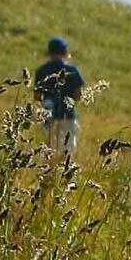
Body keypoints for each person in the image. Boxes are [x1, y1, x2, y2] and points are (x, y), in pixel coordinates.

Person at [35, 35, 85, 173]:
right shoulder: (73, 71)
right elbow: (78, 95)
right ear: (65, 52)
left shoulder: (42, 71)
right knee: (68, 150)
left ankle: (49, 172)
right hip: (68, 116)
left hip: (49, 116)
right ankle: (63, 173)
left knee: (50, 149)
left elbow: (37, 96)